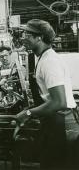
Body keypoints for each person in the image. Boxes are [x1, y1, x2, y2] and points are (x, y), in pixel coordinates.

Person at [15, 19, 79, 170]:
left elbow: (59, 102)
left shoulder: (49, 62)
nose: (23, 37)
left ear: (39, 37)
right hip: (56, 120)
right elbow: (50, 98)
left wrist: (29, 113)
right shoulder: (43, 58)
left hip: (63, 123)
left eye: (27, 34)